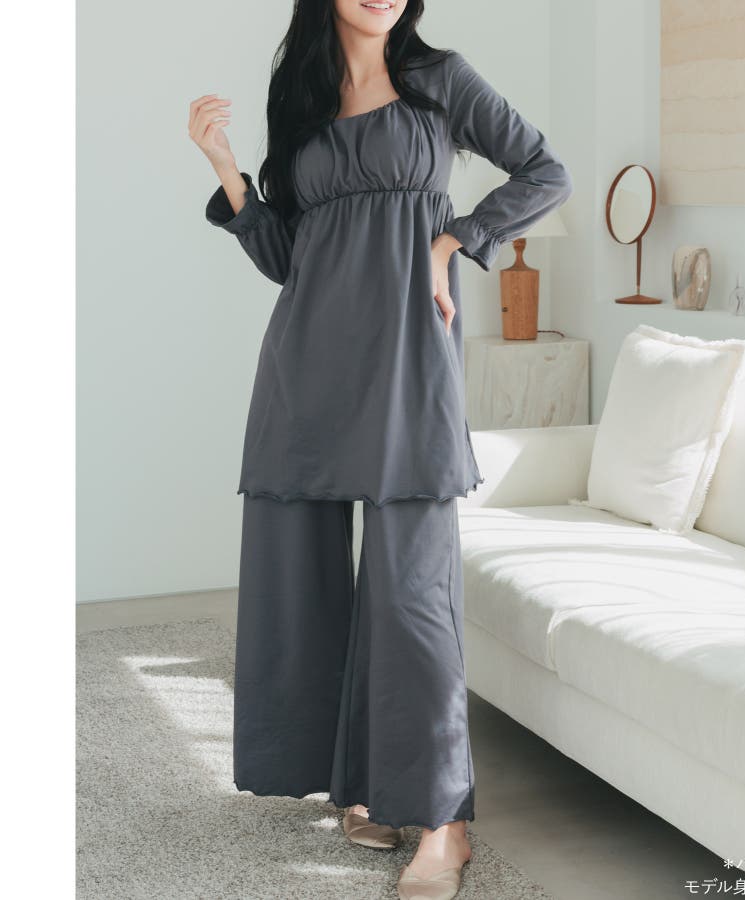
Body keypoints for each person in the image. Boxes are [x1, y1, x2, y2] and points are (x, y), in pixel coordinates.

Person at [188, 1, 573, 897]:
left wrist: (453, 239)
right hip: (309, 361)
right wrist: (227, 171)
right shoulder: (299, 94)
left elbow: (546, 171)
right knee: (300, 579)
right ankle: (362, 784)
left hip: (409, 355)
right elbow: (288, 257)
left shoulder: (440, 79)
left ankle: (445, 819)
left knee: (412, 590)